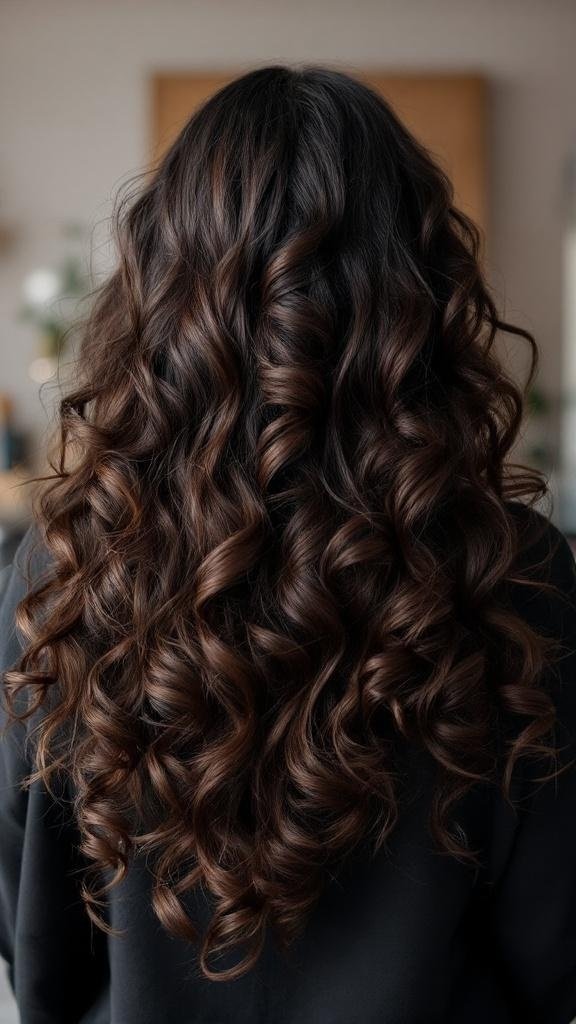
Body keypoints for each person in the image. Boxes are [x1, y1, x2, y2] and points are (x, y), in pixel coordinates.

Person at [1, 64, 576, 1024]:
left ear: (164, 285)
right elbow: (553, 956)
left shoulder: (65, 570)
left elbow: (38, 953)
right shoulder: (513, 575)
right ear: (418, 288)